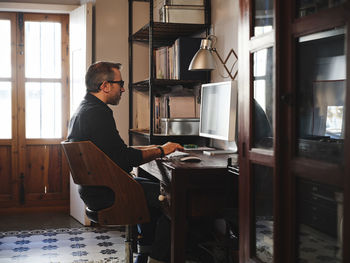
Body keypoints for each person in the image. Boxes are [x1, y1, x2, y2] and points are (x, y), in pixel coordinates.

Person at [67, 61, 183, 263]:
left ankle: (144, 254)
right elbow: (124, 159)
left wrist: (157, 148)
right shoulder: (98, 113)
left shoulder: (83, 110)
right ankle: (156, 258)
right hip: (109, 193)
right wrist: (163, 150)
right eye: (120, 83)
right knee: (175, 199)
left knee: (158, 190)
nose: (123, 89)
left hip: (95, 190)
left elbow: (116, 152)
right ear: (104, 86)